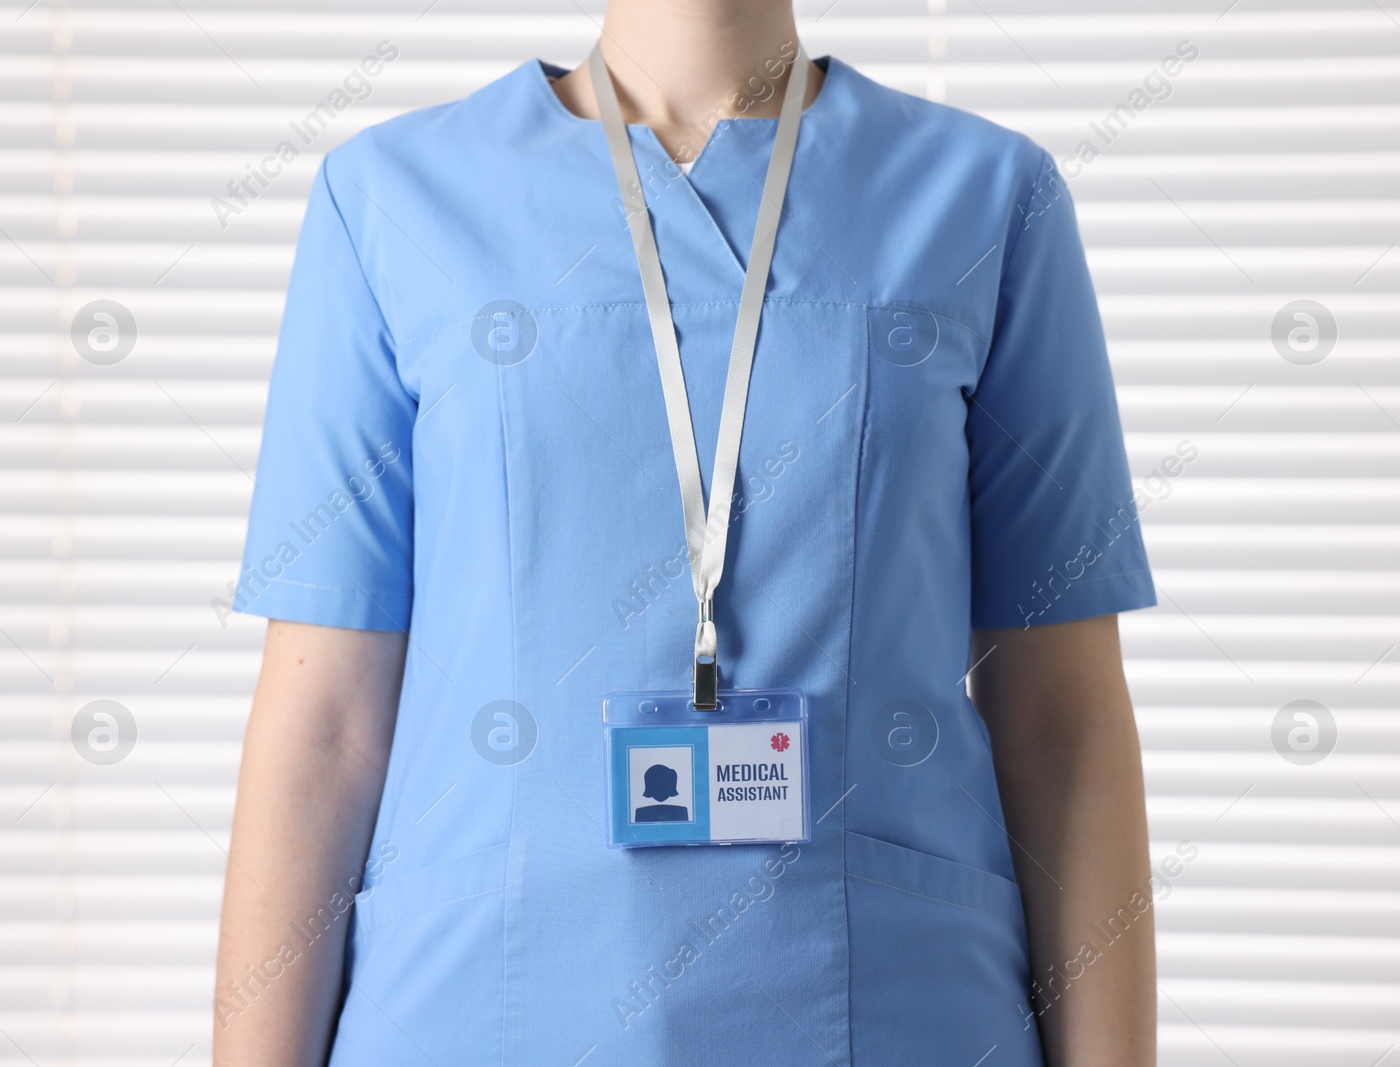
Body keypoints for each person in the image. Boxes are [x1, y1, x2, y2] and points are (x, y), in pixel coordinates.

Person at [213, 1, 1158, 1064]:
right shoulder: (389, 200)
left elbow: (1060, 719)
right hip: (477, 1009)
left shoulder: (986, 199)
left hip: (896, 1011)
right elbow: (325, 721)